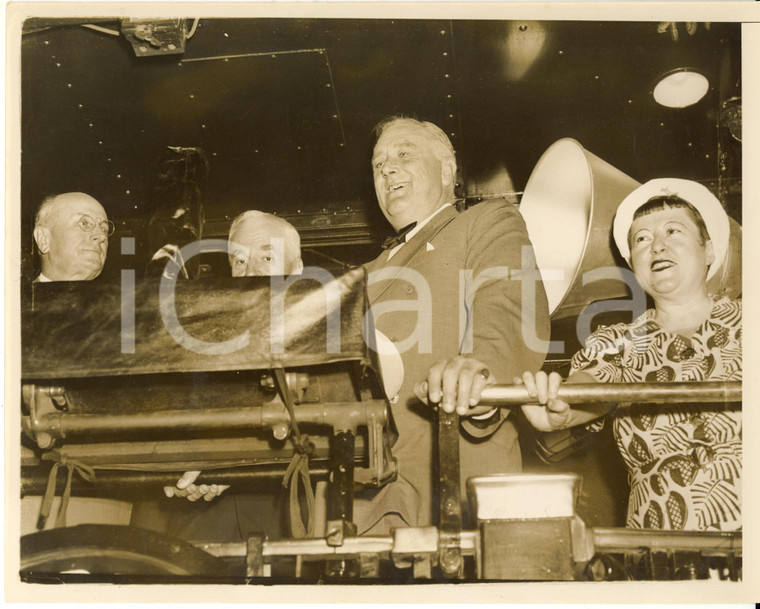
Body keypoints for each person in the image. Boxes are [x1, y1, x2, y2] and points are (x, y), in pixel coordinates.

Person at [460, 178, 742, 532]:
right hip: (659, 550)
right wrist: (558, 409)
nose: (656, 246)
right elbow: (588, 385)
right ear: (632, 265)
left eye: (673, 231)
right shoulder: (619, 342)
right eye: (641, 239)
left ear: (709, 252)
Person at [355, 116, 551, 535]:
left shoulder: (484, 221)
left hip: (458, 480)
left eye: (404, 154)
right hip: (364, 500)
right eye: (378, 164)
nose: (387, 168)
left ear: (447, 170)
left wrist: (482, 368)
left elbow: (506, 304)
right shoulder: (358, 276)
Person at [131, 210, 304, 541]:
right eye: (239, 261)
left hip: (284, 519)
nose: (249, 271)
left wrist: (228, 463)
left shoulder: (326, 334)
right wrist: (179, 469)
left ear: (295, 270)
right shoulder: (193, 334)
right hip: (195, 520)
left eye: (267, 257)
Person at [32, 192, 113, 281]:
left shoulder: (121, 294)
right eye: (84, 223)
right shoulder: (19, 294)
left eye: (104, 229)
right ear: (43, 239)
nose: (101, 236)